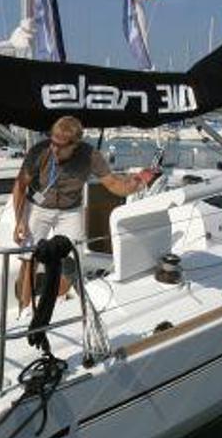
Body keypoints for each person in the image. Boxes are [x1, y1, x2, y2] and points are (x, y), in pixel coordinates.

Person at [12, 115, 159, 309]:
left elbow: (114, 185)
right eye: (53, 142)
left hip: (70, 210)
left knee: (71, 262)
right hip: (38, 207)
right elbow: (20, 185)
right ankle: (24, 310)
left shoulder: (90, 156)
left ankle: (52, 302)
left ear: (75, 145)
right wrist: (19, 221)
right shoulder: (39, 151)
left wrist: (138, 184)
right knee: (29, 260)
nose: (54, 149)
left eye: (60, 146)